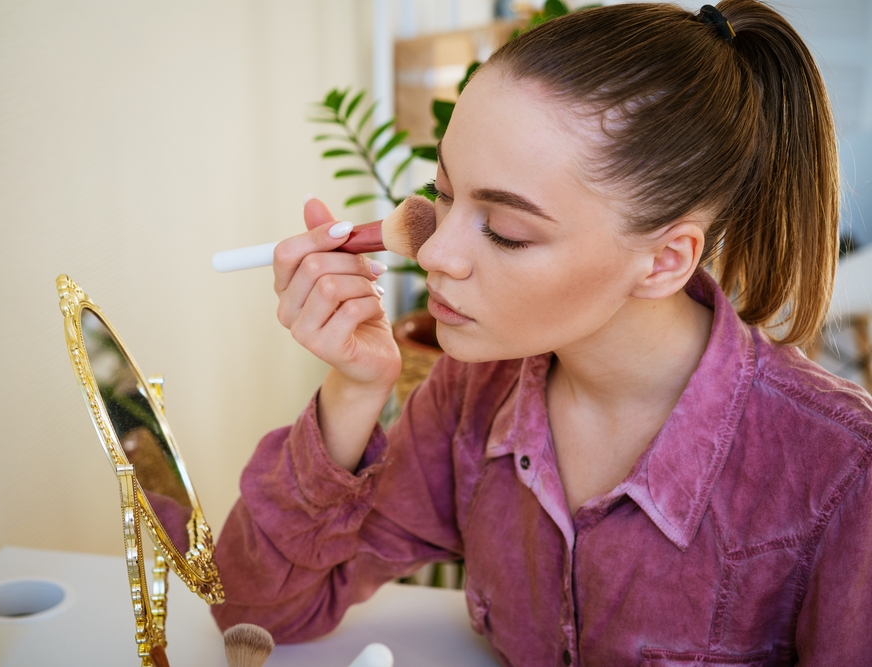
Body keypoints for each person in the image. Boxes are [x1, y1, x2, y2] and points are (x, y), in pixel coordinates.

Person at [211, 1, 872, 664]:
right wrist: (354, 388)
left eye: (508, 230)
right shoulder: (472, 395)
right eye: (443, 193)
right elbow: (254, 611)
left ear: (665, 260)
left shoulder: (841, 472)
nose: (436, 251)